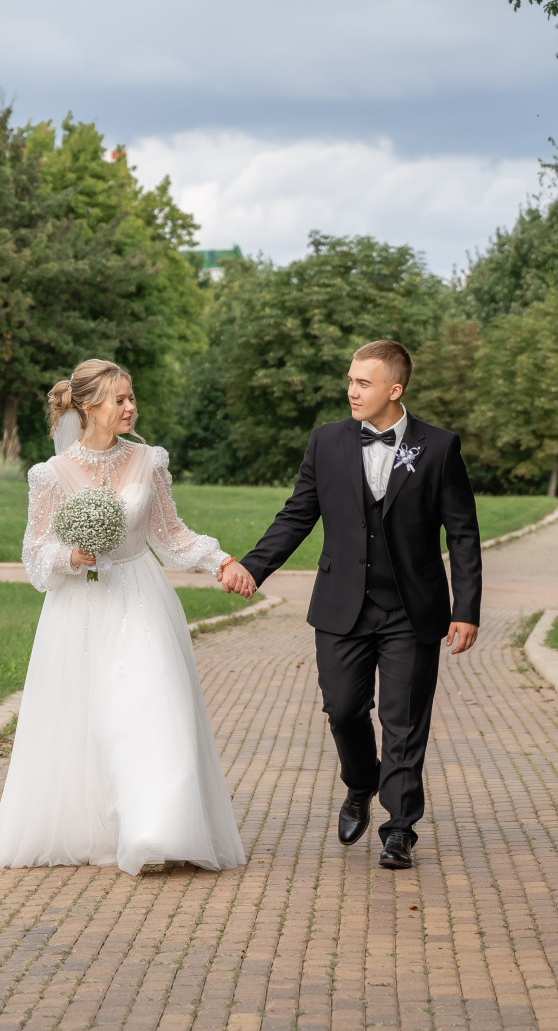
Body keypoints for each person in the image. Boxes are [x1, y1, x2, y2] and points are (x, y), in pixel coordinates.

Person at [0, 359, 247, 875]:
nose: (130, 407)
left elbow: (172, 536)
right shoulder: (49, 475)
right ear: (87, 406)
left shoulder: (150, 461)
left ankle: (157, 830)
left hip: (141, 597)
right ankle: (98, 827)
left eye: (131, 397)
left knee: (152, 703)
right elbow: (35, 551)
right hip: (80, 606)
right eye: (119, 399)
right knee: (90, 716)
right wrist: (71, 557)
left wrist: (222, 562)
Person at [218, 340, 481, 869]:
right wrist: (254, 566)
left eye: (363, 382)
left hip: (413, 608)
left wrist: (466, 607)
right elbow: (297, 515)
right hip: (342, 607)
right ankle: (360, 782)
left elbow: (462, 534)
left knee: (404, 718)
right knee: (342, 710)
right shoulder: (327, 442)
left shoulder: (439, 446)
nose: (352, 390)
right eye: (351, 380)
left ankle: (399, 826)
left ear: (394, 389)